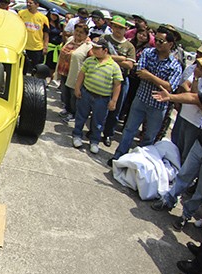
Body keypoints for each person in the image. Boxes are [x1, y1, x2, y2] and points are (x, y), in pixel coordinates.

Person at [150, 84, 202, 230]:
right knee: (183, 175)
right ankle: (168, 200)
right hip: (199, 146)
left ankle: (185, 215)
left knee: (201, 190)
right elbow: (194, 97)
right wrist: (171, 97)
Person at [109, 26, 183, 165]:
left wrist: (150, 76)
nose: (158, 44)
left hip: (158, 106)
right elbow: (140, 73)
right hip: (141, 99)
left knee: (149, 138)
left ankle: (138, 164)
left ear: (171, 44)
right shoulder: (148, 53)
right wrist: (158, 80)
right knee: (129, 130)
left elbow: (170, 86)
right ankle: (118, 157)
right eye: (157, 40)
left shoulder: (175, 65)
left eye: (161, 41)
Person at [71, 37, 123, 154]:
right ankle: (77, 135)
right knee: (81, 116)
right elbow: (81, 74)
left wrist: (114, 100)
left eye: (97, 48)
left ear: (105, 50)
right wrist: (77, 88)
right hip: (86, 94)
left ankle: (94, 141)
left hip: (102, 99)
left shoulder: (114, 66)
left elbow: (117, 84)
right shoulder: (89, 60)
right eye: (93, 47)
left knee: (98, 122)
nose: (93, 50)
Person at [170, 51, 202, 164]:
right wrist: (194, 96)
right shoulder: (197, 74)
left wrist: (194, 94)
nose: (200, 68)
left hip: (194, 123)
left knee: (185, 153)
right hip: (183, 115)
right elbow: (184, 85)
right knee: (174, 146)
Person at [100, 15, 135, 147]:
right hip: (103, 75)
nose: (117, 29)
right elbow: (98, 53)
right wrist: (120, 58)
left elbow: (130, 65)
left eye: (120, 27)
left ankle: (108, 134)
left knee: (115, 109)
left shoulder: (129, 46)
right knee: (100, 106)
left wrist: (109, 56)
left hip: (120, 80)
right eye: (115, 26)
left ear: (125, 29)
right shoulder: (105, 39)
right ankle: (95, 131)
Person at [57, 24, 92, 122]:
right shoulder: (71, 39)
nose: (78, 33)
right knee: (65, 92)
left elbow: (90, 60)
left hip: (76, 74)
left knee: (74, 95)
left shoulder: (88, 46)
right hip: (64, 71)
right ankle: (67, 109)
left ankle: (73, 113)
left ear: (86, 34)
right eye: (77, 31)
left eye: (81, 32)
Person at [18, 0, 49, 75]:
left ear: (37, 5)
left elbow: (46, 34)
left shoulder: (43, 18)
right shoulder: (21, 14)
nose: (28, 4)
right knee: (22, 69)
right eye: (27, 2)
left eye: (30, 3)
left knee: (35, 69)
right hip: (23, 46)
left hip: (36, 47)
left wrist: (45, 46)